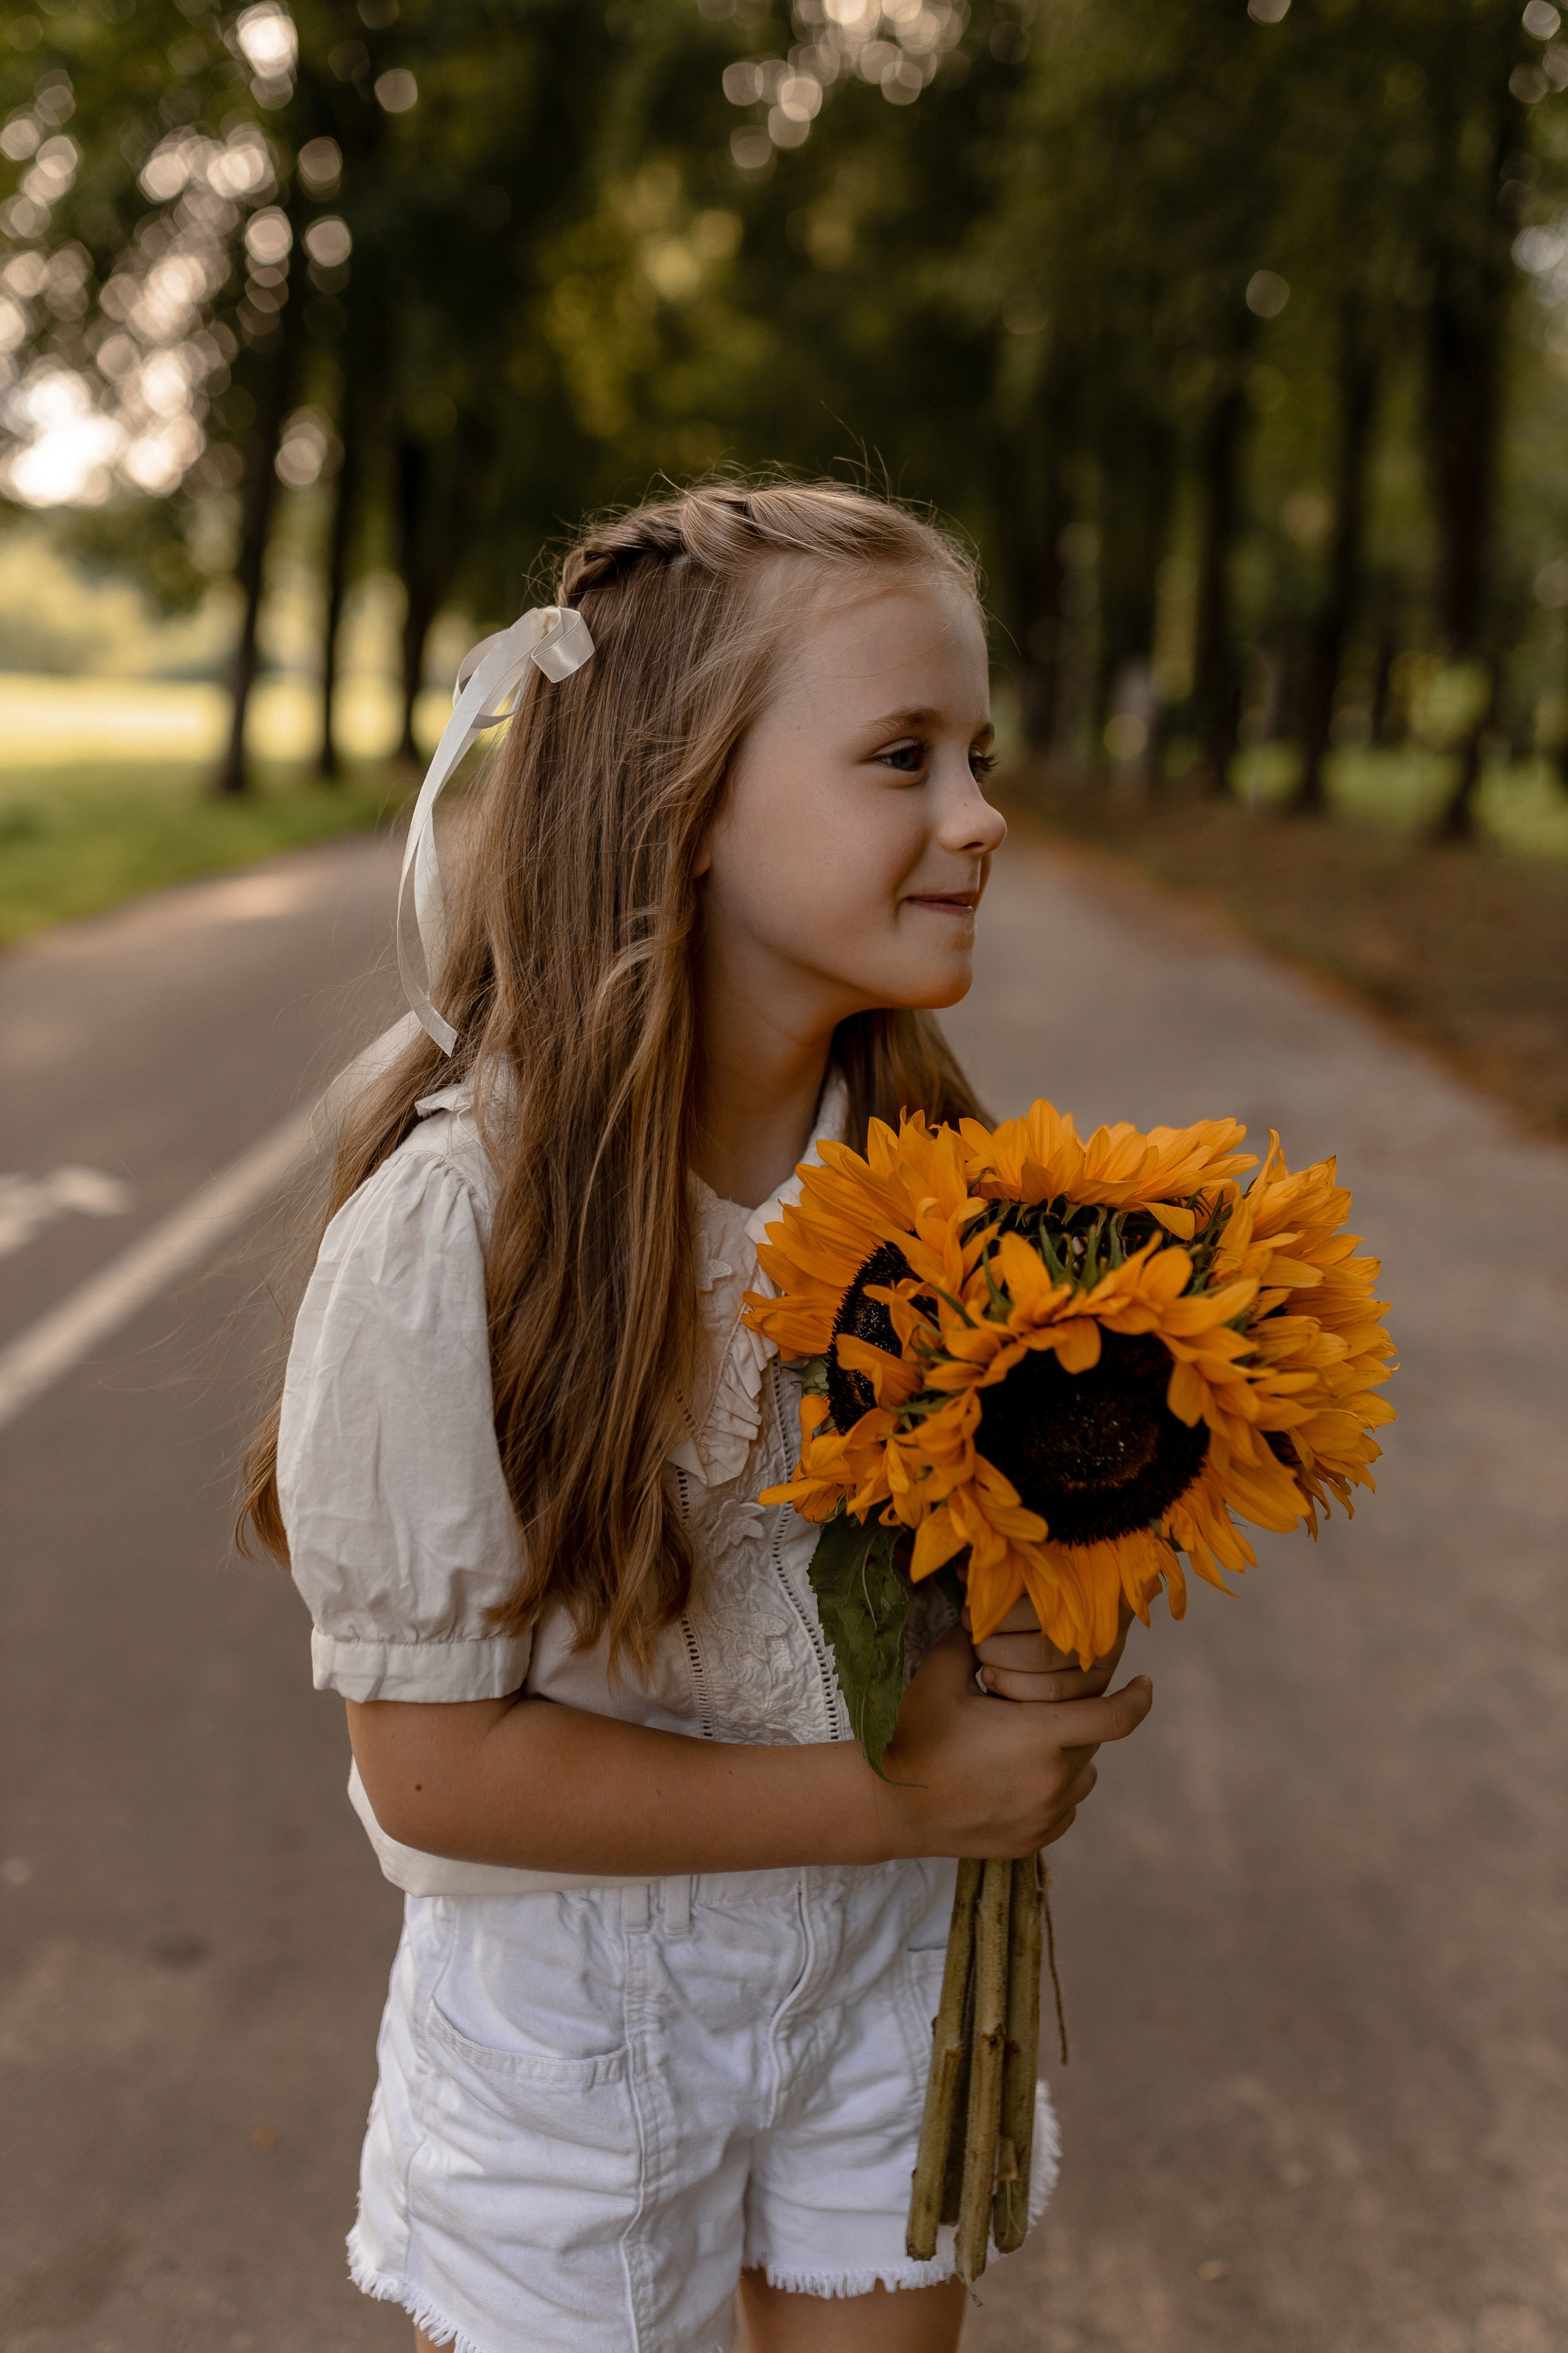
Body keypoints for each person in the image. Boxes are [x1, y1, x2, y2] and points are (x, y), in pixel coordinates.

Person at [240, 478, 1153, 2353]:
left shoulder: (955, 1187)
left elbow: (954, 1623)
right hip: (577, 2041)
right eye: (903, 756)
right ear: (687, 802)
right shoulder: (459, 1234)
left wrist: (1059, 1600)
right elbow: (430, 1777)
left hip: (886, 1992)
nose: (982, 818)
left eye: (976, 754)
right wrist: (908, 1797)